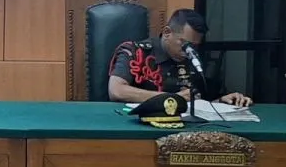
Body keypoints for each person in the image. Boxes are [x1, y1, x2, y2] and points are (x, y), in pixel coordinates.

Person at [107, 8, 253, 107]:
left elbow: (198, 102)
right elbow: (117, 91)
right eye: (185, 44)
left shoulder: (193, 58)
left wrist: (222, 101)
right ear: (167, 32)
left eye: (194, 46)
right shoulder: (135, 51)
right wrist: (171, 98)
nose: (188, 51)